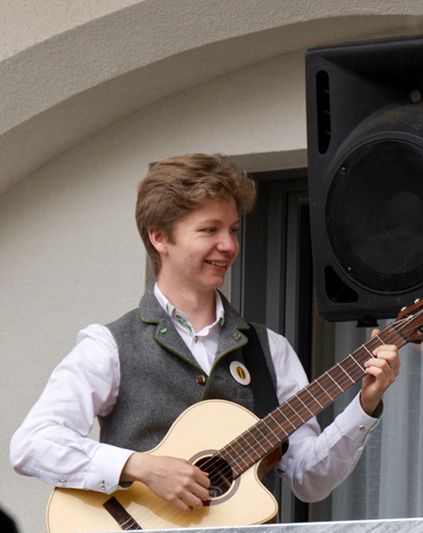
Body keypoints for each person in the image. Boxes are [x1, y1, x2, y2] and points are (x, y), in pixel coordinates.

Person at [10, 153, 400, 516]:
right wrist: (141, 466)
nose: (228, 245)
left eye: (233, 229)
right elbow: (33, 443)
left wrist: (364, 405)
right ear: (159, 237)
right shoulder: (109, 345)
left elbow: (309, 481)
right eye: (209, 230)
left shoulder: (270, 350)